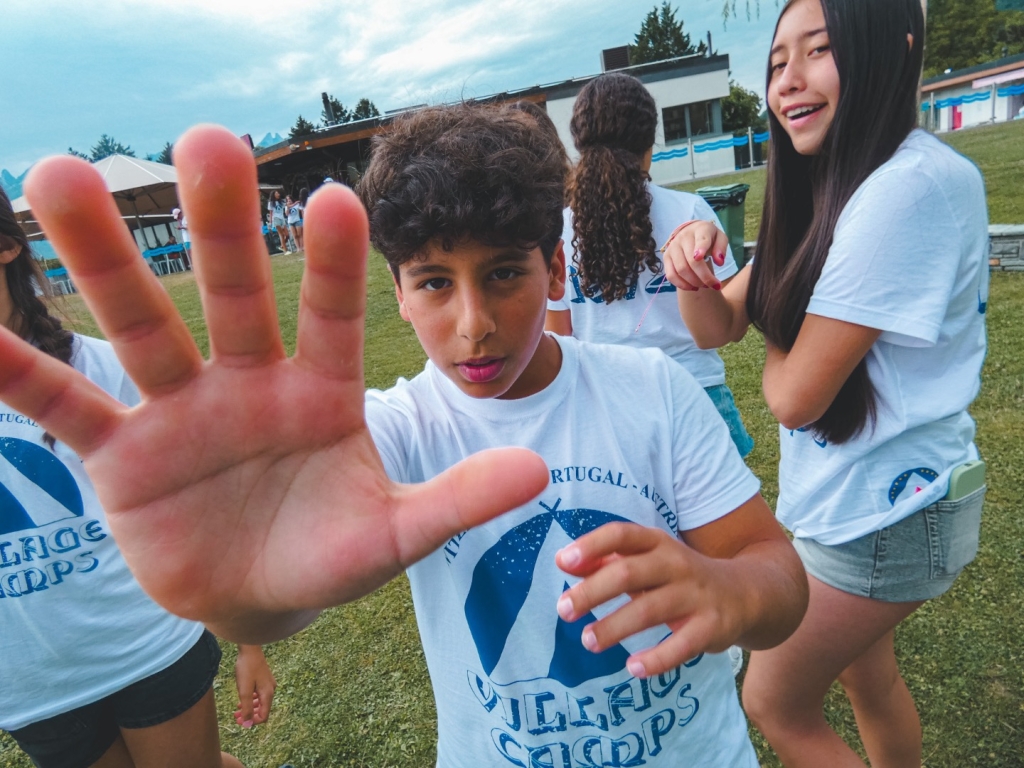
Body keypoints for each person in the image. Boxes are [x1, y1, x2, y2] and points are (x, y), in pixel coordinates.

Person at [0, 110, 807, 767]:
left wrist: (727, 591)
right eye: (434, 282)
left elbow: (778, 580)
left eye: (504, 272)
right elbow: (280, 604)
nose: (473, 323)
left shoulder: (652, 391)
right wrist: (238, 594)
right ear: (396, 291)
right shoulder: (393, 431)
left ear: (556, 269)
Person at [662, 1, 987, 766]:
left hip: (886, 512)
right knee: (868, 679)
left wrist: (779, 308)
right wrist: (692, 266)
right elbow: (717, 326)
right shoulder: (835, 188)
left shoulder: (904, 189)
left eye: (819, 51)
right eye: (778, 62)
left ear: (894, 50)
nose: (788, 81)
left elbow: (792, 396)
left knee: (773, 699)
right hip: (865, 501)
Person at [0, 188, 277, 768]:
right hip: (31, 684)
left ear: (6, 248)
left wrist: (249, 641)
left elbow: (203, 505)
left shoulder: (101, 367)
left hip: (147, 646)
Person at [546, 73, 754, 458]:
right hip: (696, 396)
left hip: (607, 409)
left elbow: (558, 341)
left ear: (579, 141)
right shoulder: (690, 213)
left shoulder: (558, 231)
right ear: (649, 144)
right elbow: (724, 326)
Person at [266, 189, 289, 254]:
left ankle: (282, 246)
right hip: (276, 219)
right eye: (277, 193)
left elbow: (287, 205)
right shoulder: (271, 203)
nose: (278, 194)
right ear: (274, 195)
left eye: (278, 193)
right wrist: (270, 222)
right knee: (281, 234)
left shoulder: (281, 201)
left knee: (287, 235)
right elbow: (271, 213)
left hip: (282, 218)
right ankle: (285, 250)